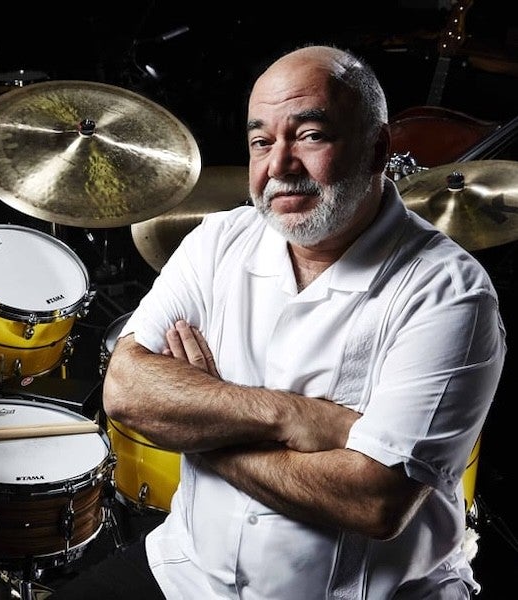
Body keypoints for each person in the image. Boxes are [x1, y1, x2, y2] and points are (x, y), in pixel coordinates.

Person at [45, 44, 506, 599]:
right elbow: (125, 391)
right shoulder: (218, 241)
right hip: (190, 571)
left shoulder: (449, 292)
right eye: (262, 141)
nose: (280, 166)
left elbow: (376, 500)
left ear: (378, 148)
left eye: (310, 135)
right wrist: (294, 417)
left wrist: (202, 427)